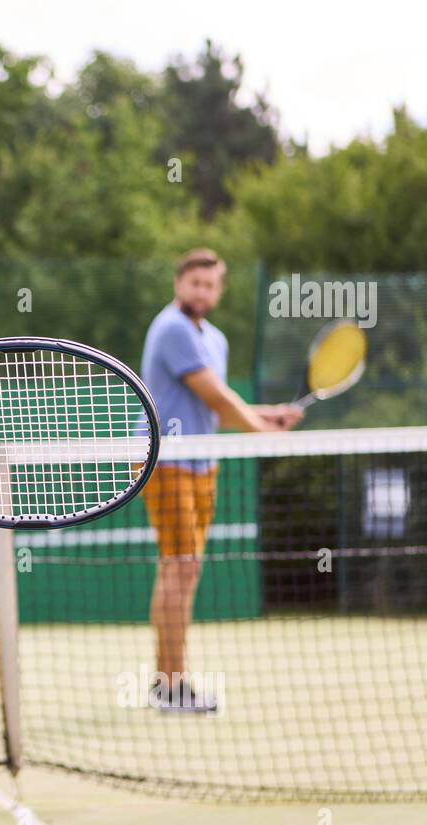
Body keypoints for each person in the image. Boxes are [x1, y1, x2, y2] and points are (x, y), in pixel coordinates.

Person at [139, 249, 301, 712]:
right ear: (178, 283)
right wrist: (261, 430)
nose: (201, 292)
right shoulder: (171, 328)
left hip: (202, 463)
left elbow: (215, 410)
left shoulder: (216, 339)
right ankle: (171, 686)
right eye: (194, 283)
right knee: (180, 567)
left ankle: (165, 682)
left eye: (210, 285)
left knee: (182, 569)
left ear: (219, 290)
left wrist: (267, 416)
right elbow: (217, 395)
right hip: (167, 461)